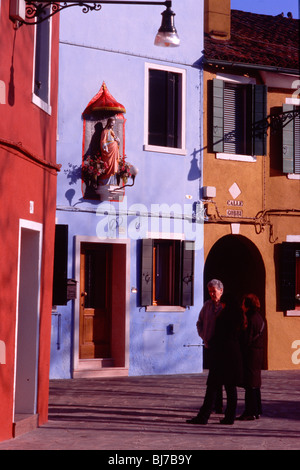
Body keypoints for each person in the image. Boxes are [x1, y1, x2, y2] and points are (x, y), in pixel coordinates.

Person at [187, 293, 244, 425]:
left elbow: (219, 335)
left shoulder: (225, 316)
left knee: (212, 386)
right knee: (230, 388)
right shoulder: (239, 316)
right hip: (233, 355)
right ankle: (229, 417)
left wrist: (210, 342)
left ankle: (204, 416)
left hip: (221, 355)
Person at [196, 279, 224, 413]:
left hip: (221, 348)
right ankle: (216, 404)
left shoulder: (224, 306)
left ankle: (217, 405)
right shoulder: (207, 305)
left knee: (217, 378)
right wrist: (203, 335)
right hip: (209, 346)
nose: (212, 294)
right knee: (214, 377)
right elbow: (199, 322)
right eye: (210, 292)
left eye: (214, 291)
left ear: (221, 291)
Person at [238, 294, 265, 421]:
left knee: (249, 383)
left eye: (243, 303)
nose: (241, 305)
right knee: (255, 383)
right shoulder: (260, 317)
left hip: (250, 353)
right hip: (258, 352)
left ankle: (250, 411)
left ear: (247, 305)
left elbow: (246, 337)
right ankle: (257, 410)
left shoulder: (249, 318)